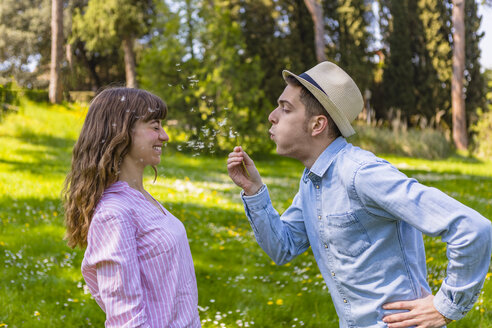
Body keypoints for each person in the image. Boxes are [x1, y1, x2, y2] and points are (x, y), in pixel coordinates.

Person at [227, 61, 491, 328]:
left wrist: (445, 307)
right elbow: (283, 247)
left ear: (317, 124)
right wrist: (254, 191)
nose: (272, 116)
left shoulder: (362, 174)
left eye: (285, 109)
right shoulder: (311, 182)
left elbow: (472, 228)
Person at [63, 87, 200, 327]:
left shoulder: (140, 199)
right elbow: (126, 321)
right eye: (155, 127)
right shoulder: (114, 214)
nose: (165, 136)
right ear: (121, 131)